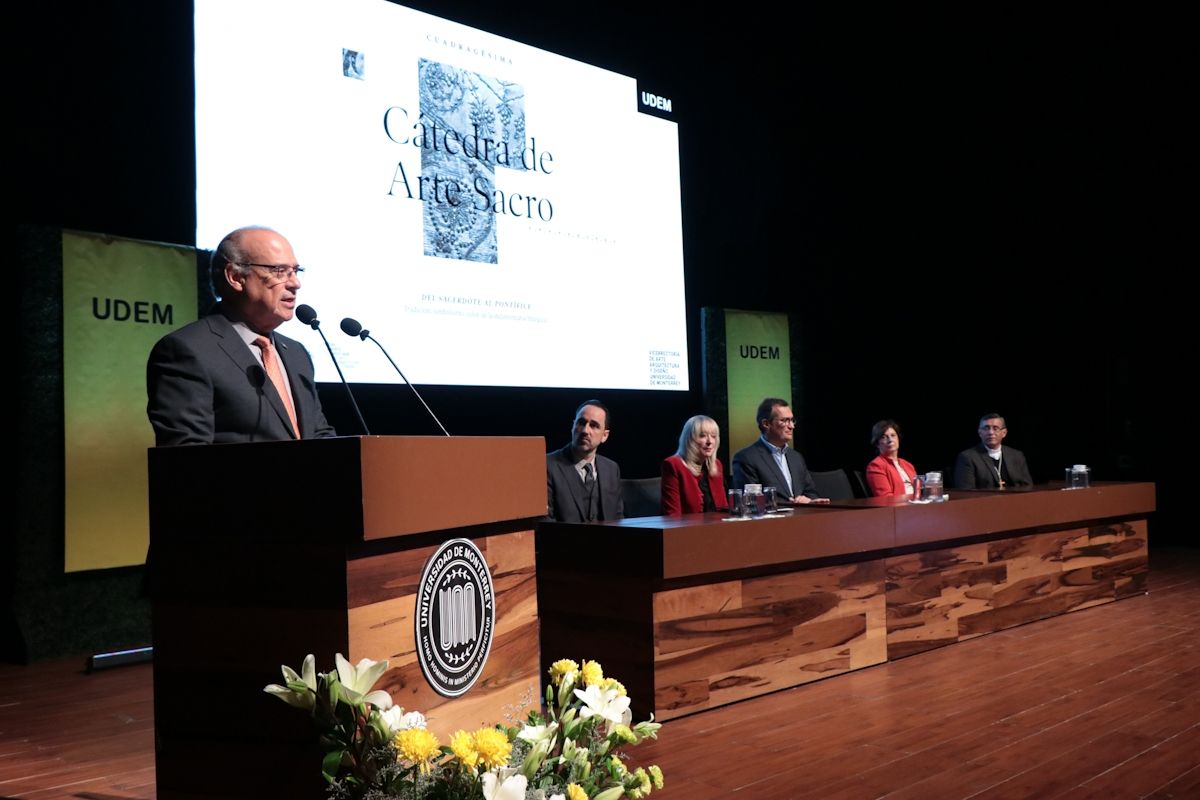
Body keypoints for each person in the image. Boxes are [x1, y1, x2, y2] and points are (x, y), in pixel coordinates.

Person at [146, 226, 337, 445]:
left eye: (296, 271)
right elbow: (187, 456)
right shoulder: (187, 351)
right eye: (279, 271)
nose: (295, 283)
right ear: (235, 277)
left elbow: (319, 435)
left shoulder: (296, 353)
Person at [731, 397, 828, 504]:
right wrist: (793, 505)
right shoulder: (746, 458)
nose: (791, 426)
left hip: (802, 517)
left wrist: (811, 501)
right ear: (766, 424)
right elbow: (751, 502)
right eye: (784, 421)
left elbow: (811, 492)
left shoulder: (796, 457)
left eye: (792, 420)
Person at [546, 400, 623, 522]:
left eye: (594, 425)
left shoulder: (611, 469)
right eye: (581, 423)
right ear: (573, 426)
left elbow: (618, 518)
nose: (585, 431)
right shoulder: (548, 465)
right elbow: (545, 523)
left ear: (605, 435)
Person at [661, 415, 729, 516]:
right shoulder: (673, 465)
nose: (709, 442)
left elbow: (723, 509)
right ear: (689, 439)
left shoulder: (716, 465)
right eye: (702, 436)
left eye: (713, 436)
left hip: (717, 528)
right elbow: (672, 516)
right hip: (687, 529)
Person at [954, 413, 1033, 489]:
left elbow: (1028, 486)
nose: (991, 432)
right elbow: (967, 492)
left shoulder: (1016, 456)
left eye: (995, 428)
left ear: (1004, 433)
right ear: (979, 432)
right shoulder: (968, 457)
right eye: (986, 428)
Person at [865, 419, 918, 497]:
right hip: (898, 507)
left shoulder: (908, 465)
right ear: (877, 444)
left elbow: (919, 491)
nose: (890, 440)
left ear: (898, 439)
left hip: (916, 505)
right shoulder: (876, 466)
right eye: (884, 437)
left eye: (893, 435)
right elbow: (885, 497)